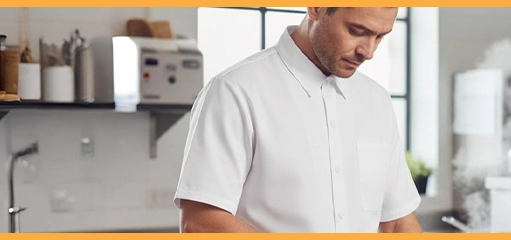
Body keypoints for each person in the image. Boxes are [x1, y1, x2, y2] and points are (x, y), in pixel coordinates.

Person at [174, 7, 421, 233]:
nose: (368, 52)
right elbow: (200, 221)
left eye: (380, 37)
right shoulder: (235, 91)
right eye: (356, 31)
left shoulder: (377, 100)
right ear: (315, 8)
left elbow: (398, 221)